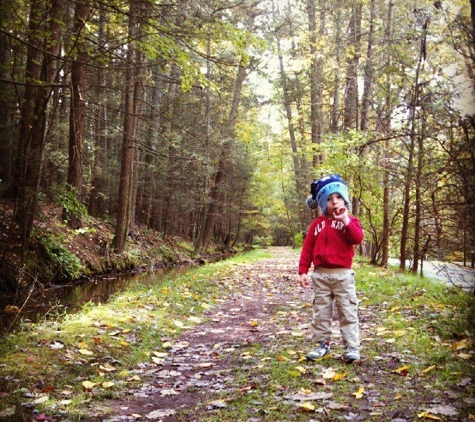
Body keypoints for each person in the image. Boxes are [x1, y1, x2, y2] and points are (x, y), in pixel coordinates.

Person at [298, 174, 364, 363]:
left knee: (347, 311)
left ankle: (351, 346)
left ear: (345, 200)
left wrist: (345, 221)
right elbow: (307, 249)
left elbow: (357, 239)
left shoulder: (350, 221)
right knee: (321, 312)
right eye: (329, 199)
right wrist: (303, 271)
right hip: (321, 276)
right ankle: (321, 344)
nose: (334, 202)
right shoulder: (316, 225)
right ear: (321, 203)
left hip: (343, 275)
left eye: (338, 197)